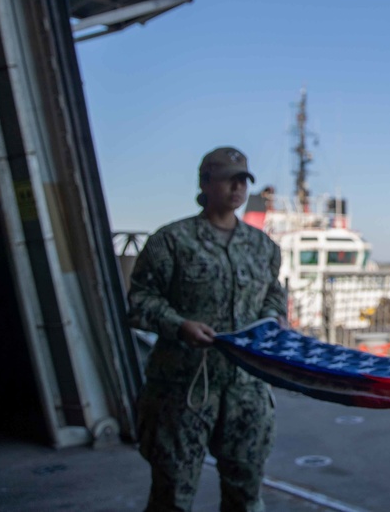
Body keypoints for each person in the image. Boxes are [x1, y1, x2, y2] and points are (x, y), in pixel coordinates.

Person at [128, 146, 287, 512]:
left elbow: (273, 295)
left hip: (245, 390)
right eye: (228, 179)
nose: (237, 187)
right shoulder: (171, 241)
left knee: (245, 494)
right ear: (205, 183)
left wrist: (274, 318)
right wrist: (179, 325)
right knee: (173, 494)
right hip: (182, 389)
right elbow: (140, 302)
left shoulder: (263, 247)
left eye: (243, 180)